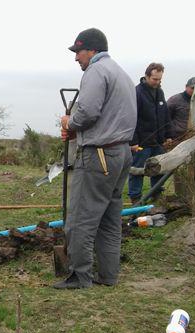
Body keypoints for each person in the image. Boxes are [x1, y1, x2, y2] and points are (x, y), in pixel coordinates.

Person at [55, 28, 137, 290]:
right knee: (110, 219)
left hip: (99, 154)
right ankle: (108, 275)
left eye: (78, 52)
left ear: (91, 50)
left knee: (80, 218)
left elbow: (87, 112)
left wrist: (70, 121)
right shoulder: (121, 74)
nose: (76, 58)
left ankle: (80, 276)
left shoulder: (96, 72)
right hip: (121, 153)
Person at [128, 62, 171, 204]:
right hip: (142, 141)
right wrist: (133, 142)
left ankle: (157, 194)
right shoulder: (137, 92)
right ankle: (135, 198)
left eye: (160, 79)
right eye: (155, 79)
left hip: (158, 141)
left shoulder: (160, 92)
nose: (157, 82)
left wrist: (167, 135)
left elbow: (165, 114)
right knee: (137, 169)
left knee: (158, 169)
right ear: (147, 76)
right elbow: (131, 118)